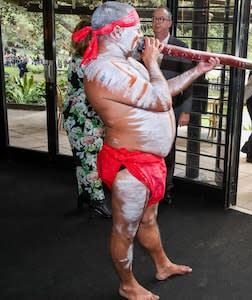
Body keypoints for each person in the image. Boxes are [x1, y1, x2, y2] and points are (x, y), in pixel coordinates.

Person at [75, 2, 219, 299]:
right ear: (115, 32)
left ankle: (162, 265)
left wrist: (197, 70)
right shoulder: (102, 70)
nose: (142, 35)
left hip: (150, 163)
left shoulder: (128, 62)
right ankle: (127, 285)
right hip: (130, 166)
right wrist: (153, 61)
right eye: (136, 28)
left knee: (149, 219)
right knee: (124, 230)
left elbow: (164, 90)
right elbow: (161, 101)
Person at [63, 20, 111, 219]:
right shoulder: (89, 63)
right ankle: (98, 201)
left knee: (82, 159)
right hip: (86, 120)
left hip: (74, 117)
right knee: (91, 160)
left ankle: (84, 195)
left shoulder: (76, 59)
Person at [152, 6, 194, 204]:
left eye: (161, 19)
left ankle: (166, 189)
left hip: (172, 108)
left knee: (167, 149)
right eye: (154, 19)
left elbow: (188, 80)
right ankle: (150, 184)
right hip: (148, 107)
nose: (157, 22)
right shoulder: (145, 44)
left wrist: (185, 111)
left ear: (169, 23)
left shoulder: (180, 47)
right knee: (150, 147)